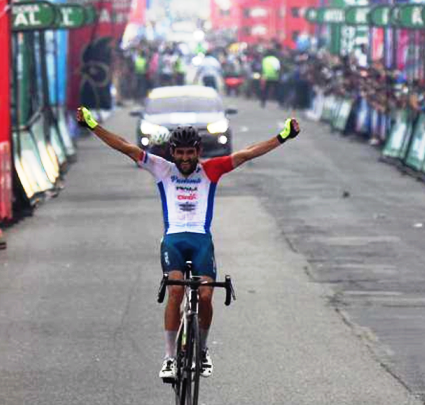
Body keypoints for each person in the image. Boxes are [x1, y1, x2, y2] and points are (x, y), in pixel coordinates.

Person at [75, 106, 301, 380]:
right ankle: (170, 358)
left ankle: (202, 351)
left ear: (198, 151)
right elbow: (124, 146)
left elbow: (249, 152)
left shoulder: (211, 170)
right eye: (180, 153)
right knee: (175, 291)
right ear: (172, 152)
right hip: (173, 240)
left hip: (201, 240)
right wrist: (91, 125)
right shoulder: (162, 169)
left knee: (205, 295)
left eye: (189, 152)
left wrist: (283, 136)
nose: (185, 159)